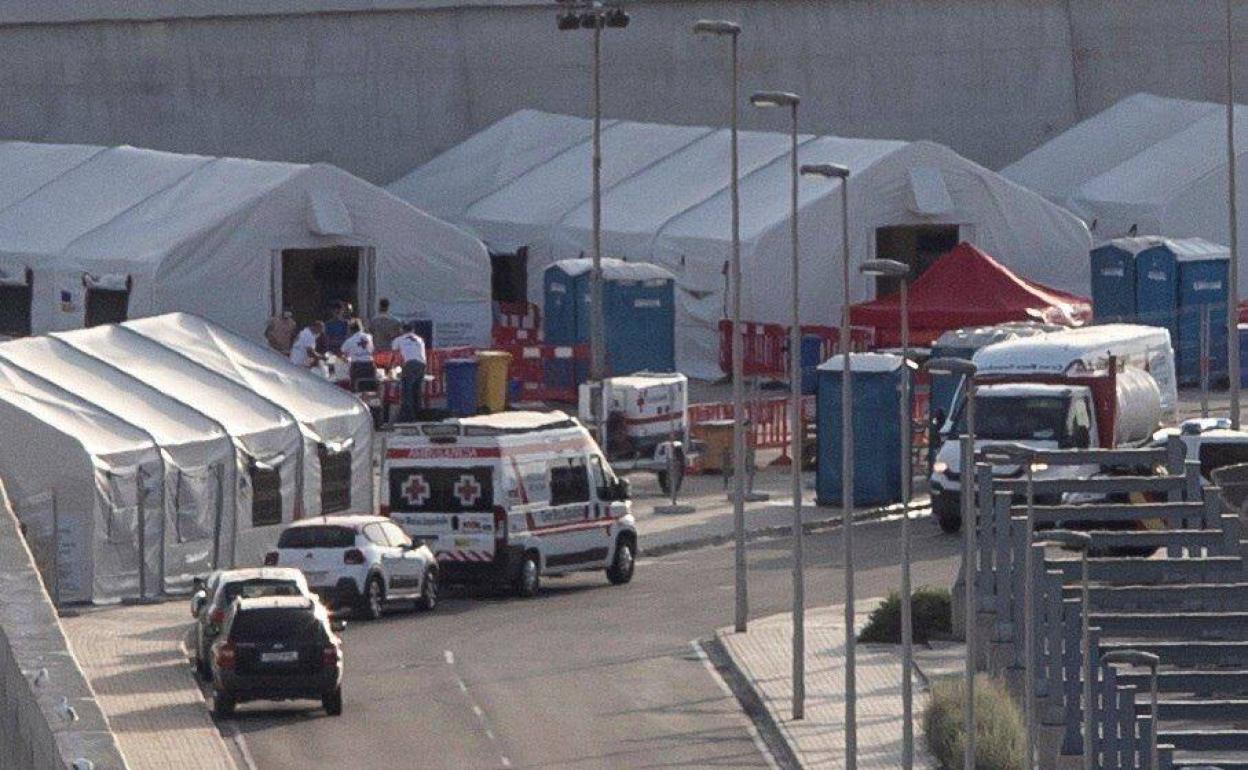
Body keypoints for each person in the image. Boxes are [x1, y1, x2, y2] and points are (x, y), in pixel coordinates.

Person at [392, 322, 428, 421]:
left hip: (410, 364)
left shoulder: (399, 339)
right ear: (413, 330)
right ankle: (418, 415)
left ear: (402, 330)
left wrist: (393, 368)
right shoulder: (419, 339)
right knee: (417, 390)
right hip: (421, 364)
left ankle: (407, 417)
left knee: (407, 391)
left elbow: (395, 355)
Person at [341, 319, 376, 390]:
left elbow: (342, 352)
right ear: (361, 327)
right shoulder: (369, 337)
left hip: (357, 366)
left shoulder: (349, 341)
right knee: (370, 388)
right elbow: (373, 350)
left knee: (356, 388)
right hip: (370, 365)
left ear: (351, 330)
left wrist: (346, 358)